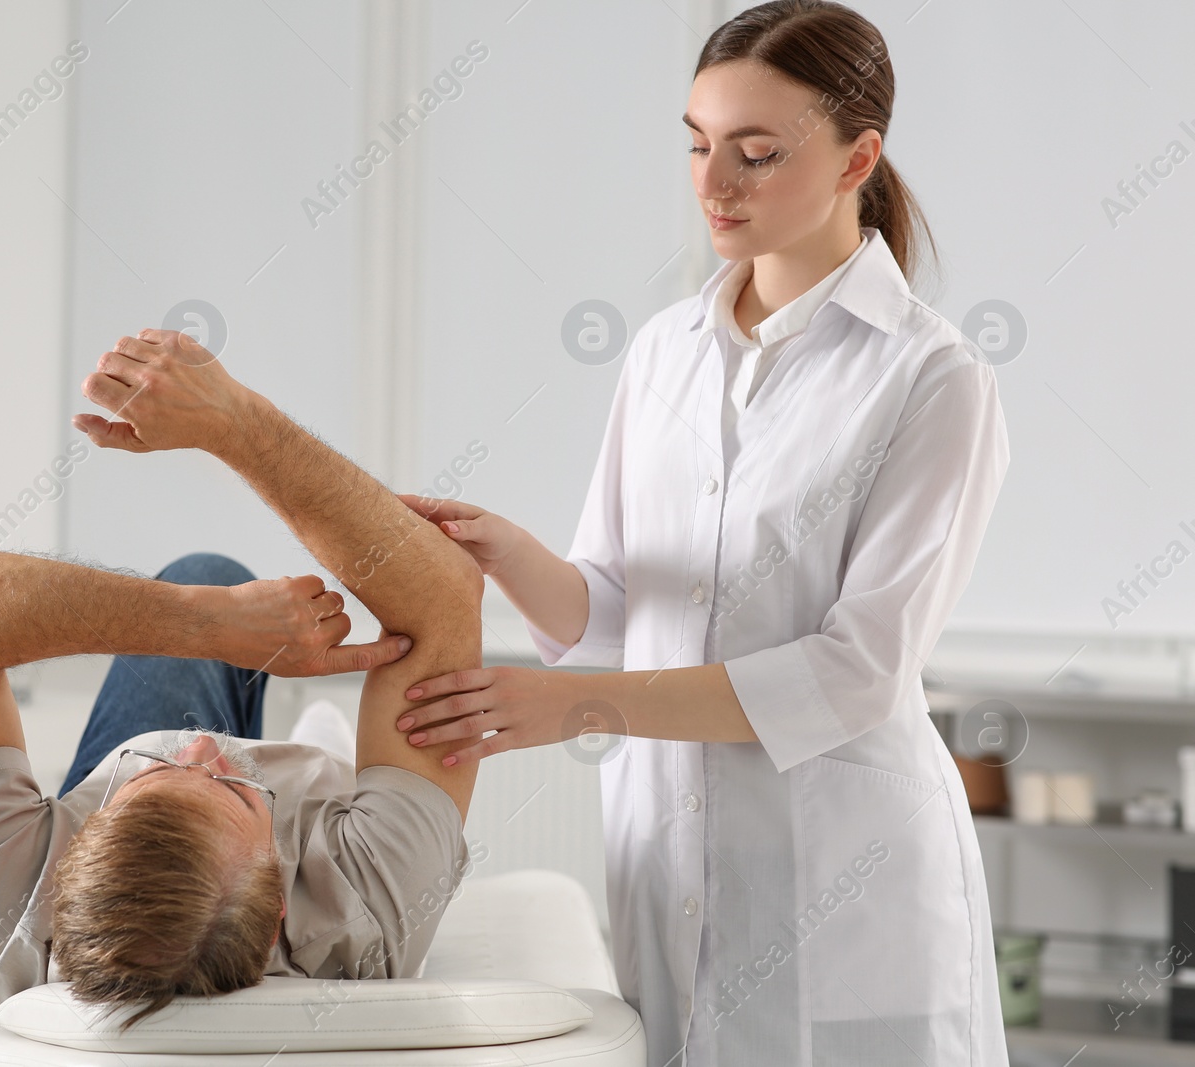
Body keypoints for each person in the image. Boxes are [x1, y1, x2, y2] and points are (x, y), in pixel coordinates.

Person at [389, 2, 1010, 1064]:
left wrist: (581, 705)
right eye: (696, 144)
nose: (713, 183)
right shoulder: (664, 353)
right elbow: (624, 610)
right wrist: (509, 554)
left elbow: (855, 672)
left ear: (859, 155)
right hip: (667, 868)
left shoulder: (930, 378)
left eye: (756, 154)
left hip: (844, 883)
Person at [0, 326, 486, 1028]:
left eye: (147, 779)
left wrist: (207, 620)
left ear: (73, 858)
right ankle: (320, 759)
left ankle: (230, 764)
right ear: (277, 917)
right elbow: (444, 593)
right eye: (232, 786)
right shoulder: (368, 910)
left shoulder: (11, 909)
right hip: (322, 815)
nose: (198, 748)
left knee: (204, 574)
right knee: (314, 761)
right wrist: (234, 421)